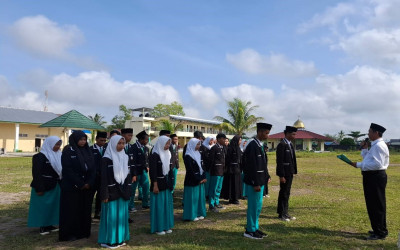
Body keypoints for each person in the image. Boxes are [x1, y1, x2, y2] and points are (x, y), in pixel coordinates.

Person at [350, 123, 389, 240]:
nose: (368, 134)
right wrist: (365, 149)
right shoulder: (375, 145)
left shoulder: (379, 146)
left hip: (375, 177)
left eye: (369, 131)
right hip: (372, 177)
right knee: (374, 204)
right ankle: (379, 228)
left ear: (376, 133)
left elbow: (377, 164)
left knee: (376, 204)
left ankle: (380, 232)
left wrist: (358, 165)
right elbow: (370, 159)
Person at [59, 130, 96, 241]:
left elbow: (93, 169)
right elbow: (68, 170)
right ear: (75, 139)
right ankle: (69, 234)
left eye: (84, 139)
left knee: (84, 210)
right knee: (71, 211)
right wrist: (80, 183)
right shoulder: (68, 152)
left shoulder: (88, 151)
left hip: (86, 187)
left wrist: (89, 183)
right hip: (72, 187)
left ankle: (83, 232)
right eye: (80, 139)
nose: (83, 142)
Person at [98, 135, 131, 248]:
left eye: (123, 143)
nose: (122, 146)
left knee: (121, 216)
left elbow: (127, 176)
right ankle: (109, 241)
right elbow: (103, 178)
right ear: (113, 144)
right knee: (111, 217)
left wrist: (128, 190)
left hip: (122, 192)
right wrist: (104, 194)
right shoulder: (106, 159)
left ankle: (120, 238)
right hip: (111, 192)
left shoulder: (125, 157)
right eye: (119, 143)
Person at [28, 136, 62, 235]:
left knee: (53, 206)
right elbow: (36, 173)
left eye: (59, 144)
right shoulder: (39, 157)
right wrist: (39, 187)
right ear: (49, 144)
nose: (58, 147)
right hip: (43, 186)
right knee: (43, 207)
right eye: (56, 144)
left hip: (55, 185)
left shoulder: (59, 155)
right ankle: (43, 226)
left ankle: (50, 224)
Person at [243, 123, 272, 239]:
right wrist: (255, 183)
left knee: (258, 206)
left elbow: (262, 163)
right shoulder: (252, 145)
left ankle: (255, 227)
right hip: (255, 182)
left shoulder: (259, 144)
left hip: (261, 181)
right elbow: (249, 166)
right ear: (259, 132)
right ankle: (249, 230)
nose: (267, 136)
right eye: (266, 133)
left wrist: (267, 176)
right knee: (253, 207)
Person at [149, 135, 174, 235]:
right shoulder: (154, 155)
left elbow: (170, 170)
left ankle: (166, 226)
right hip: (158, 184)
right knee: (159, 207)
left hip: (166, 184)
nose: (168, 145)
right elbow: (153, 172)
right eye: (166, 143)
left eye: (169, 143)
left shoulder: (168, 154)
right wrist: (155, 185)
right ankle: (159, 228)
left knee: (166, 206)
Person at [276, 126, 298, 221]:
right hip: (284, 174)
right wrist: (281, 175)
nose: (294, 136)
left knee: (287, 193)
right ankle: (281, 213)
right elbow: (279, 161)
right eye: (293, 134)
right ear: (287, 134)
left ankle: (285, 212)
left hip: (290, 172)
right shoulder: (282, 144)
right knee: (283, 193)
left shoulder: (290, 144)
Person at [183, 138, 207, 221]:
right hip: (192, 181)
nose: (199, 146)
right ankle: (191, 215)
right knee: (192, 199)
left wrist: (203, 177)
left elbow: (202, 167)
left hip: (200, 180)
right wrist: (198, 179)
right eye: (197, 144)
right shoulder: (188, 156)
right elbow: (190, 170)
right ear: (192, 145)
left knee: (199, 198)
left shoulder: (199, 154)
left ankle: (199, 213)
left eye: (199, 144)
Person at [130, 130, 150, 211]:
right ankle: (131, 205)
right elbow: (132, 162)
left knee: (146, 187)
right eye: (146, 139)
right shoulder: (133, 148)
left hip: (144, 171)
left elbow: (147, 159)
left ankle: (145, 203)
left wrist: (147, 166)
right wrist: (134, 174)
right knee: (133, 189)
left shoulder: (146, 148)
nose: (147, 141)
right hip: (136, 172)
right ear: (141, 140)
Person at [90, 131, 107, 220]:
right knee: (90, 195)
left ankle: (98, 212)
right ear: (96, 139)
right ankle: (87, 212)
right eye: (101, 140)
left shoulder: (107, 149)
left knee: (100, 195)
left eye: (104, 141)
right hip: (93, 177)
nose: (103, 142)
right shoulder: (90, 149)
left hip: (103, 177)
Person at [221, 135, 243, 204]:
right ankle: (231, 198)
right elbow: (228, 159)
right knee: (231, 184)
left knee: (236, 184)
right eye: (239, 140)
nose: (240, 142)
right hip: (231, 169)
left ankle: (236, 198)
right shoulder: (231, 148)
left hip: (237, 169)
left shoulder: (238, 148)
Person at [208, 133, 227, 212]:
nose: (225, 140)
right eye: (223, 139)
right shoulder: (214, 148)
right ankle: (211, 205)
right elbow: (211, 160)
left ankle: (216, 202)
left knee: (219, 188)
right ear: (218, 139)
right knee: (213, 188)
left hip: (221, 171)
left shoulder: (223, 148)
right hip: (215, 171)